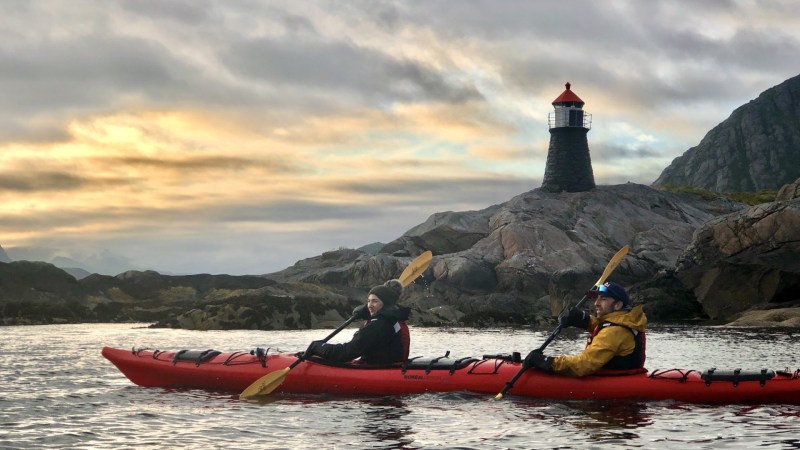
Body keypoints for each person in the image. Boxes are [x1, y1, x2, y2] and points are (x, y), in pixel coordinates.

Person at [524, 282, 647, 377]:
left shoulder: (614, 332)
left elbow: (583, 365)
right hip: (624, 374)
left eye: (603, 299)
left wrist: (548, 362)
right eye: (597, 298)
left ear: (618, 305)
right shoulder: (625, 320)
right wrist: (584, 319)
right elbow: (604, 328)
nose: (596, 303)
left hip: (611, 388)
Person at [304, 279, 411, 365]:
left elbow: (346, 353)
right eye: (368, 301)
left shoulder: (378, 325)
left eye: (374, 301)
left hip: (378, 370)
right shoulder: (394, 318)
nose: (369, 305)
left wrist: (318, 347)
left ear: (385, 304)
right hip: (388, 365)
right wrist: (365, 311)